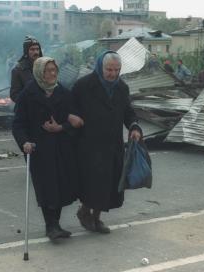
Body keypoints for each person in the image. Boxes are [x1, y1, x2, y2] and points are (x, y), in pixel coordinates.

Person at [12, 56, 83, 241]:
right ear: (39, 72)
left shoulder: (64, 93)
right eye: (47, 70)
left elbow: (75, 120)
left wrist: (61, 127)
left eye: (54, 70)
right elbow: (18, 124)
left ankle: (56, 224)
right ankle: (50, 226)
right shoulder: (28, 94)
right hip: (38, 148)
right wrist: (24, 142)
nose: (52, 74)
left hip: (61, 146)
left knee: (60, 186)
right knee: (46, 187)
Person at [72, 51, 142, 234]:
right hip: (90, 144)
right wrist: (71, 118)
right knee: (93, 183)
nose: (112, 74)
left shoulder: (122, 88)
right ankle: (85, 212)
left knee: (109, 184)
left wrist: (134, 127)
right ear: (100, 67)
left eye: (116, 70)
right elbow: (70, 106)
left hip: (113, 144)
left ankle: (96, 217)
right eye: (109, 69)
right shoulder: (84, 85)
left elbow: (128, 111)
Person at [10, 35, 43, 103]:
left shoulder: (44, 67)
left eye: (37, 49)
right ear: (26, 51)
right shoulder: (18, 70)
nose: (36, 52)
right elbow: (14, 95)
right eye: (32, 49)